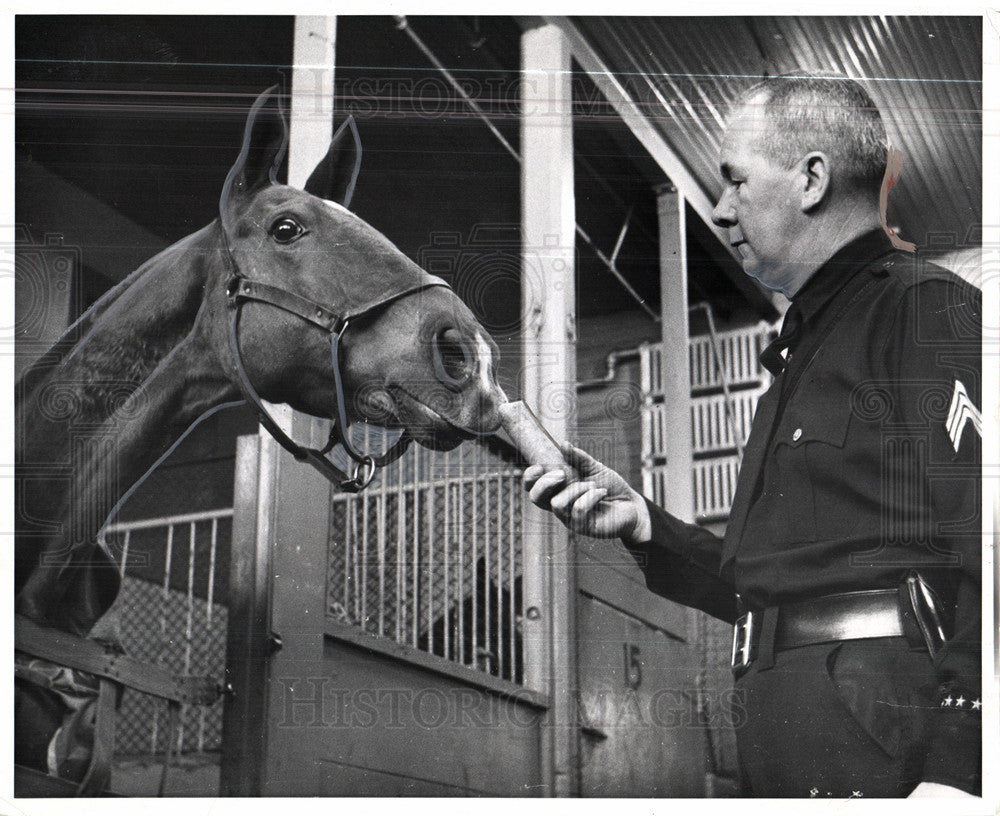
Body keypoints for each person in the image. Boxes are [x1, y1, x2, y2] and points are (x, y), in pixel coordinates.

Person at [524, 73, 981, 798]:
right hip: (784, 733)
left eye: (735, 181)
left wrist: (964, 770)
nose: (719, 207)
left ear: (811, 179)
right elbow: (767, 588)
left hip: (886, 744)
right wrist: (645, 525)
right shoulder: (803, 351)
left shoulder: (922, 308)